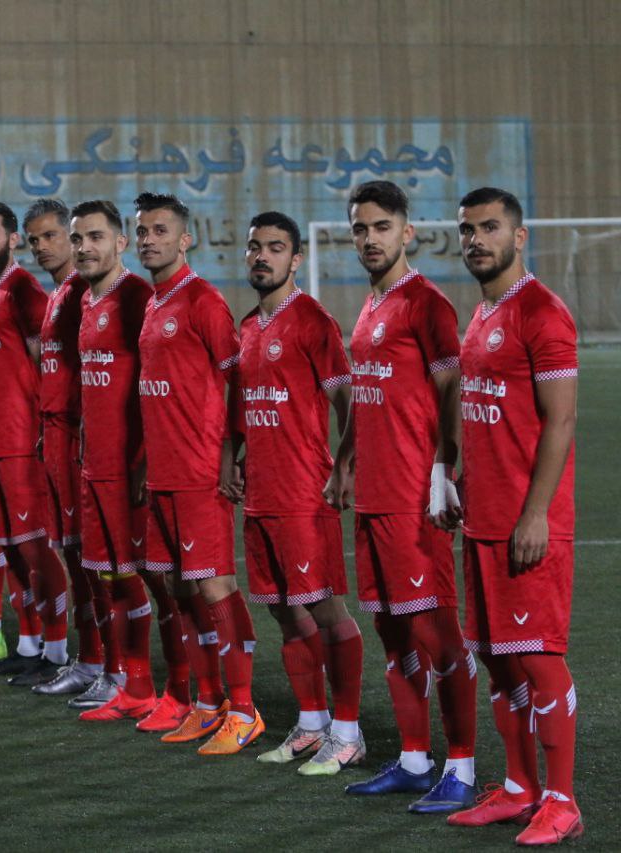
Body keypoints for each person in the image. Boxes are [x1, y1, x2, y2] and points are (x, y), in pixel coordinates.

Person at [331, 181, 477, 811]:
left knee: (437, 636)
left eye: (381, 227)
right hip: (373, 495)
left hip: (414, 498)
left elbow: (454, 391)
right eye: (360, 229)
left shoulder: (426, 303)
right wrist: (344, 462)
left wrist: (444, 472)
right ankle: (415, 759)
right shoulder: (371, 305)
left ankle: (462, 768)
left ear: (407, 232)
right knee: (393, 633)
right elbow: (368, 395)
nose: (370, 238)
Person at [445, 188, 583, 845]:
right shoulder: (482, 314)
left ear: (519, 237)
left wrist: (535, 515)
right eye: (468, 229)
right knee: (498, 661)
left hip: (527, 525)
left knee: (538, 660)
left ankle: (563, 799)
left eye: (490, 227)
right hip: (482, 519)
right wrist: (458, 482)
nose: (477, 239)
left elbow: (562, 420)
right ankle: (520, 787)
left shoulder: (542, 313)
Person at [224, 211, 366, 775]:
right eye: (255, 246)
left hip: (305, 492)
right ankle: (312, 723)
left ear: (296, 258)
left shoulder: (312, 321)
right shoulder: (247, 327)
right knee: (283, 612)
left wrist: (344, 466)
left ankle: (348, 733)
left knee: (326, 609)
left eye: (275, 247)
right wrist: (234, 460)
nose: (262, 256)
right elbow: (245, 410)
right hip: (260, 494)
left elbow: (349, 401)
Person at [133, 192, 262, 752]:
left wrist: (233, 453)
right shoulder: (153, 304)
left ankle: (246, 710)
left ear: (185, 239)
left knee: (214, 586)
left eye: (160, 230)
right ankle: (208, 704)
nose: (149, 240)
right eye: (143, 231)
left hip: (199, 470)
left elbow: (240, 377)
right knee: (179, 588)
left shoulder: (203, 301)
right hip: (162, 473)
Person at [66, 200, 170, 725]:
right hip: (95, 462)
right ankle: (128, 682)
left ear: (120, 243)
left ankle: (155, 686)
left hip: (128, 465)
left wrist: (144, 460)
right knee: (107, 576)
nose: (85, 247)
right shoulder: (87, 299)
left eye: (96, 237)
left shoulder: (137, 299)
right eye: (78, 239)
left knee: (140, 578)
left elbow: (156, 383)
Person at [0, 201, 68, 678]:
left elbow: (46, 357)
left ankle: (56, 648)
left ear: (11, 239)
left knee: (34, 547)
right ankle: (27, 644)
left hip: (24, 439)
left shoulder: (23, 288)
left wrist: (45, 425)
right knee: (7, 546)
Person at [25, 199, 107, 700]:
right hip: (56, 435)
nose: (43, 247)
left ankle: (105, 662)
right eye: (34, 240)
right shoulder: (57, 293)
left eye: (52, 236)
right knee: (72, 554)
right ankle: (91, 659)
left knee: (91, 559)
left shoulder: (81, 292)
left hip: (80, 438)